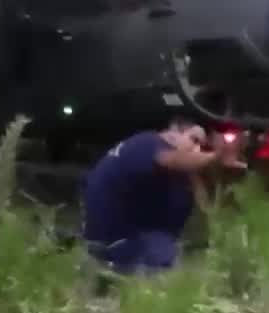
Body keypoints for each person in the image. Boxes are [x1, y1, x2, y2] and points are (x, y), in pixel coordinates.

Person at [81, 117, 246, 275]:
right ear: (173, 133)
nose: (196, 149)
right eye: (193, 140)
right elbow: (172, 159)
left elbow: (208, 207)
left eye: (201, 145)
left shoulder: (178, 173)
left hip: (130, 239)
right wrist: (215, 157)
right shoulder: (149, 143)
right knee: (177, 270)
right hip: (118, 241)